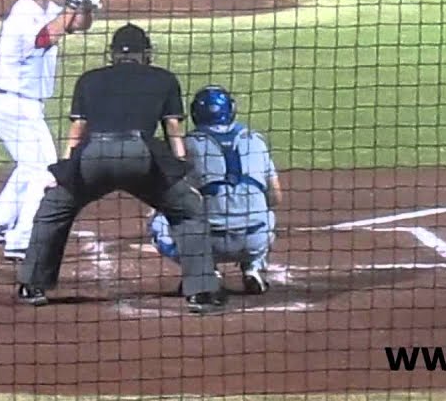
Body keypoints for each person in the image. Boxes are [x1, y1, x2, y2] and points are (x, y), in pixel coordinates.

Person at [15, 24, 226, 314]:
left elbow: (78, 130)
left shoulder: (89, 80)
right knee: (188, 210)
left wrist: (64, 171)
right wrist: (182, 174)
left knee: (53, 210)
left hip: (93, 156)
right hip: (141, 156)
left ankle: (32, 285)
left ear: (113, 54)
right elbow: (173, 130)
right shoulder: (163, 79)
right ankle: (201, 292)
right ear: (145, 54)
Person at [0, 0, 99, 261]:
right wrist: (74, 0)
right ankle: (22, 238)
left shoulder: (43, 10)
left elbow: (76, 25)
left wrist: (87, 7)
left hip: (18, 102)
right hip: (13, 104)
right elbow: (46, 37)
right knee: (45, 168)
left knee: (29, 164)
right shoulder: (22, 17)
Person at [149, 85, 282, 295]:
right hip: (255, 239)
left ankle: (204, 271)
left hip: (210, 242)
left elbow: (171, 193)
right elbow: (276, 196)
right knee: (267, 212)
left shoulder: (185, 146)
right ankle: (254, 268)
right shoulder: (256, 140)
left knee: (159, 217)